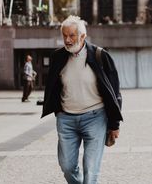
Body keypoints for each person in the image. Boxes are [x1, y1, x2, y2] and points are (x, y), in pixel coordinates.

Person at [41, 15, 123, 184]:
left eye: (72, 35)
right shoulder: (58, 57)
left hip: (95, 118)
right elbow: (53, 87)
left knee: (91, 170)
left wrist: (114, 124)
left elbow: (114, 91)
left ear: (83, 36)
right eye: (64, 35)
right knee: (67, 166)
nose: (67, 40)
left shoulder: (100, 56)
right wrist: (58, 111)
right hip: (66, 120)